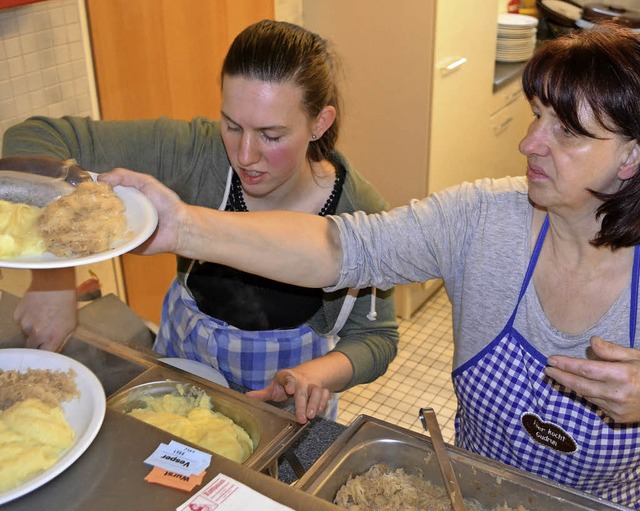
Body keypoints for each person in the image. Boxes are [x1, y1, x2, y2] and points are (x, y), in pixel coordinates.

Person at [17, 23, 640, 507]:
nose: (531, 143)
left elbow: (375, 335)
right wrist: (175, 227)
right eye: (537, 119)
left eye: (569, 133)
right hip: (468, 491)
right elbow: (343, 250)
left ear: (631, 156)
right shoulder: (481, 220)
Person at [1, 19, 399, 425]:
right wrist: (52, 276)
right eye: (232, 125)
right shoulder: (197, 152)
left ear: (320, 123)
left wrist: (316, 374)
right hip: (184, 377)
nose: (244, 155)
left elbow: (377, 338)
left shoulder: (360, 212)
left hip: (284, 410)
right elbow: (34, 137)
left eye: (271, 135)